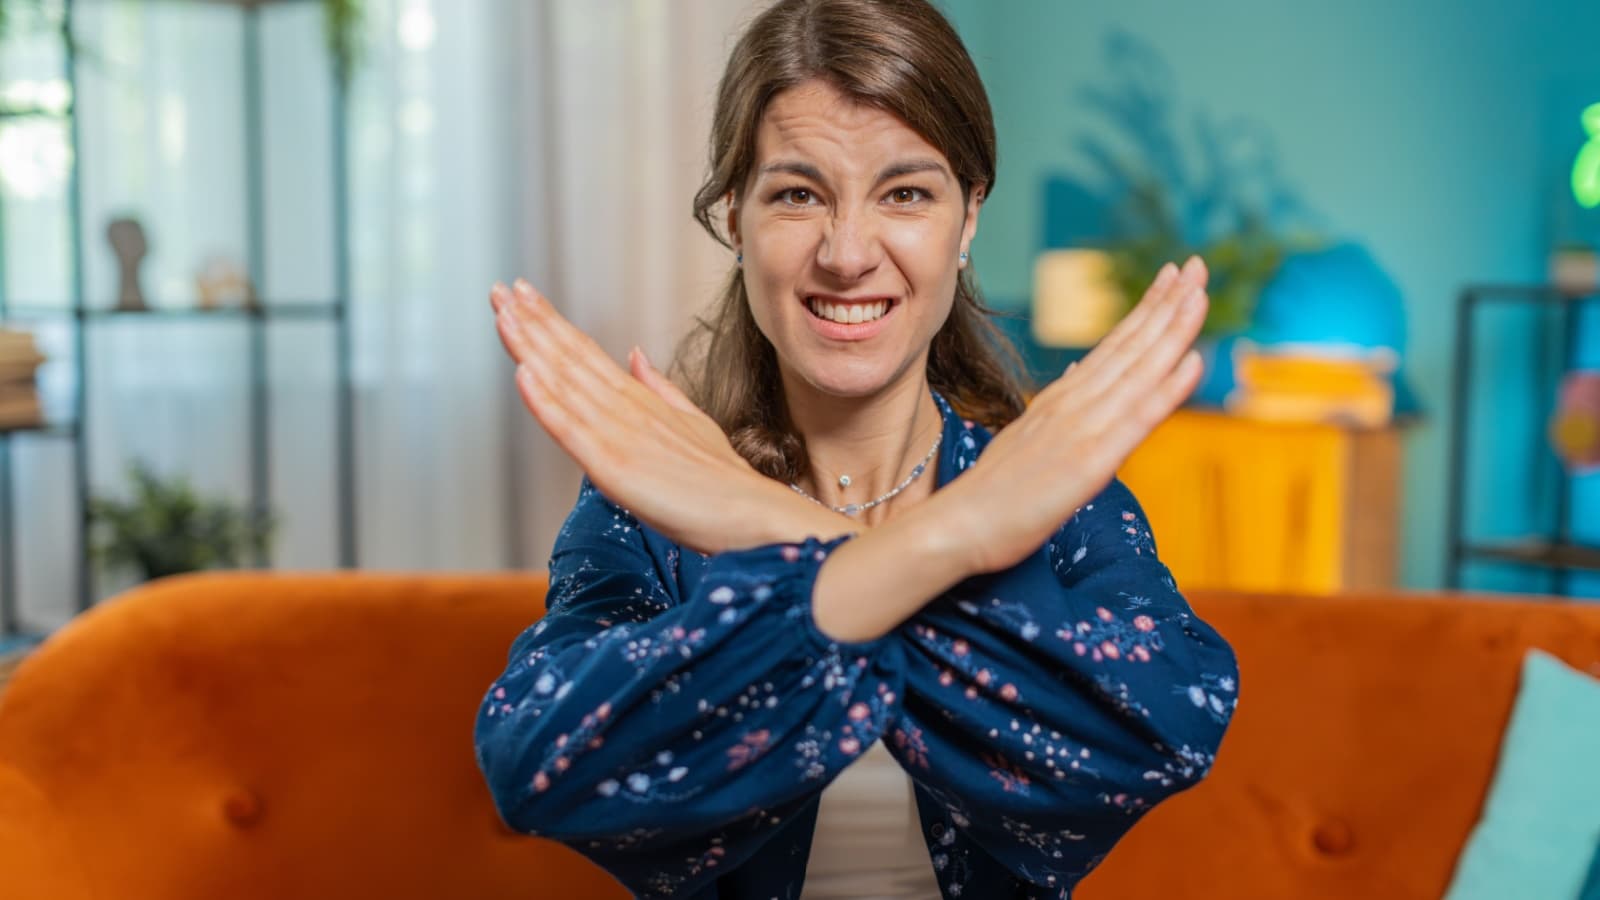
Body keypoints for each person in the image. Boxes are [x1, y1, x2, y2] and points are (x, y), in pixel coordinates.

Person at [474, 1, 1239, 897]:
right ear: (734, 216)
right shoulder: (652, 497)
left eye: (906, 193)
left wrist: (764, 523)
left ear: (968, 219)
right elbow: (542, 766)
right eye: (797, 194)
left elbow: (1162, 734)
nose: (846, 254)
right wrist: (955, 541)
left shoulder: (1046, 491)